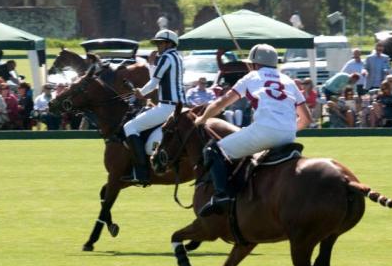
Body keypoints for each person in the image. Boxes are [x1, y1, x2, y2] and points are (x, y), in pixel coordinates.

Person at [194, 44, 311, 216]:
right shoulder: (288, 80)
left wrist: (202, 119)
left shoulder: (251, 77)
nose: (248, 67)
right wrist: (287, 129)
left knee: (213, 150)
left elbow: (221, 103)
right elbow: (307, 119)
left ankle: (222, 196)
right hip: (289, 135)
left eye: (250, 64)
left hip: (263, 131)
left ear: (255, 64)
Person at [121, 29, 184, 185]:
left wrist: (140, 93)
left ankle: (141, 172)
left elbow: (154, 83)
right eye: (157, 43)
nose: (158, 47)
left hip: (167, 107)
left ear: (169, 44)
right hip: (181, 105)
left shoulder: (166, 57)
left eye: (160, 43)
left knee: (129, 127)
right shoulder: (178, 57)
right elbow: (157, 79)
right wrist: (151, 64)